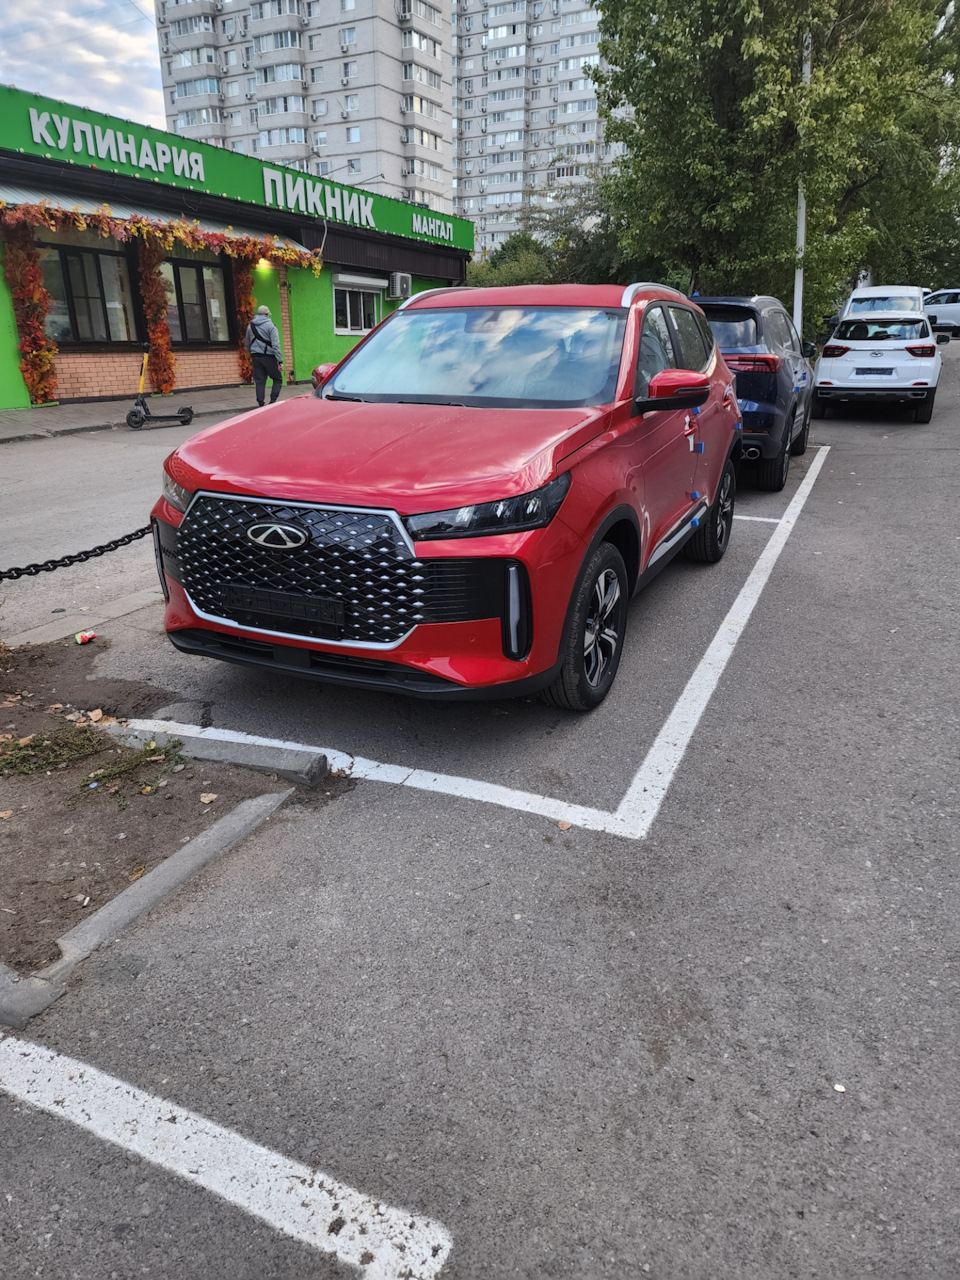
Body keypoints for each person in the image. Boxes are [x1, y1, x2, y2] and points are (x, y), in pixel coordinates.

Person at [245, 305, 284, 407]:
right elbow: (275, 345)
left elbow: (247, 344)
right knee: (277, 379)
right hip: (269, 357)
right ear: (267, 314)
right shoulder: (271, 326)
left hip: (255, 357)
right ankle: (272, 402)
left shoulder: (250, 326)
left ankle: (261, 404)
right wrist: (280, 361)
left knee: (259, 381)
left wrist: (252, 354)